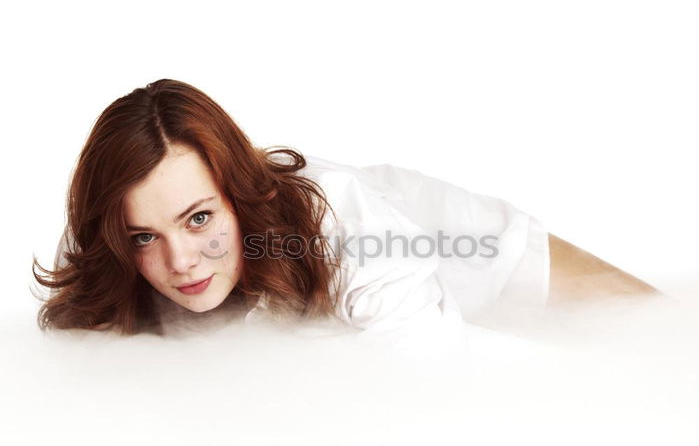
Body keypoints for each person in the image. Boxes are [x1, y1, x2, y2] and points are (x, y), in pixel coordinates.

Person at [31, 79, 661, 336]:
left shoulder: (346, 226)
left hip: (456, 244)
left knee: (655, 328)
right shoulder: (101, 249)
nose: (180, 261)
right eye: (145, 236)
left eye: (200, 218)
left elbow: (437, 380)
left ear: (240, 199)